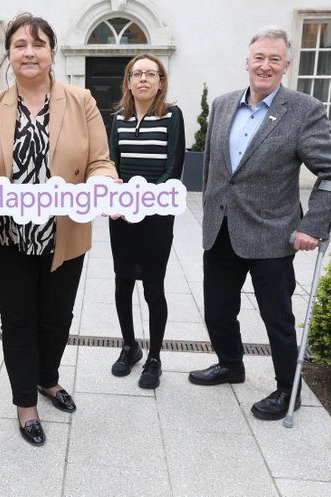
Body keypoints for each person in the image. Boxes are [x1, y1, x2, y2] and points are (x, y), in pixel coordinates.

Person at [0, 13, 117, 445]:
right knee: (19, 321)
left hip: (64, 234)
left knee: (57, 319)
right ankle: (26, 403)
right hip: (7, 238)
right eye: (20, 44)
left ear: (52, 52)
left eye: (38, 44)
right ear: (9, 54)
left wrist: (105, 186)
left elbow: (100, 162)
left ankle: (48, 379)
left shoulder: (82, 100)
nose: (29, 52)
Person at [188, 27, 331, 420]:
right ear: (247, 62)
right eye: (259, 57)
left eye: (274, 59)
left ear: (286, 66)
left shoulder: (304, 109)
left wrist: (313, 225)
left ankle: (286, 389)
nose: (265, 66)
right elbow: (214, 166)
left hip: (273, 233)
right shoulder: (223, 104)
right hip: (222, 229)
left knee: (276, 317)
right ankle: (231, 364)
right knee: (217, 310)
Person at [108, 54, 185, 389]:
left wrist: (142, 199)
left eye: (150, 74)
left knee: (153, 287)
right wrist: (115, 195)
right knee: (123, 284)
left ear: (160, 81)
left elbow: (173, 169)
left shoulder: (172, 116)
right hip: (122, 216)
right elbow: (111, 164)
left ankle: (154, 357)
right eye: (136, 74)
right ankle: (130, 347)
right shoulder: (119, 119)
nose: (143, 79)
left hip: (156, 217)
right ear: (128, 81)